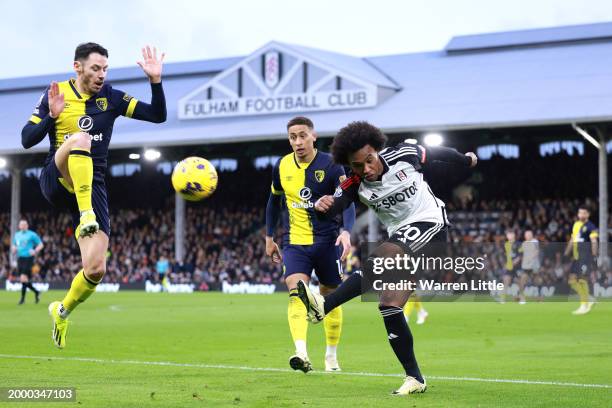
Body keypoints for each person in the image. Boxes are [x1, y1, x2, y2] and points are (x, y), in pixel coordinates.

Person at [295, 121, 477, 395]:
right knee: (389, 305)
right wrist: (322, 207)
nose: (366, 169)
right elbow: (335, 207)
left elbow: (438, 152)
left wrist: (465, 159)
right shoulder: (353, 184)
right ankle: (415, 378)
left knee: (386, 254)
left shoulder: (404, 154)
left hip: (432, 225)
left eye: (369, 160)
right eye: (357, 166)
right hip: (402, 239)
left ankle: (325, 305)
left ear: (376, 150)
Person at [21, 42, 167, 348]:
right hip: (57, 177)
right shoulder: (56, 92)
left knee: (96, 268)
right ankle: (86, 214)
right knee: (80, 139)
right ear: (78, 67)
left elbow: (157, 115)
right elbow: (26, 139)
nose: (101, 75)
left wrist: (155, 81)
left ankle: (62, 311)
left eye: (105, 69)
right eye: (95, 68)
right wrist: (51, 115)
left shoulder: (111, 98)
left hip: (93, 185)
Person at [265, 116, 355, 373]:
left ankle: (331, 356)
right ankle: (301, 353)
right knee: (296, 292)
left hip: (328, 242)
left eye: (302, 135)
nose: (298, 142)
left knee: (331, 298)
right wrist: (269, 237)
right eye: (293, 137)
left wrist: (347, 232)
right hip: (294, 242)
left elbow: (347, 200)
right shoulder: (281, 166)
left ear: (313, 135)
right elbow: (273, 202)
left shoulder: (332, 165)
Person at [564, 205, 598, 315]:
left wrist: (594, 254)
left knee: (582, 280)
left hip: (586, 257)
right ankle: (589, 299)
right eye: (580, 213)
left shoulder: (590, 226)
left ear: (588, 214)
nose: (581, 215)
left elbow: (594, 241)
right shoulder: (576, 225)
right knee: (572, 281)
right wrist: (566, 252)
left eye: (584, 213)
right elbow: (573, 239)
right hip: (576, 257)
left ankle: (584, 305)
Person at [11, 219, 44, 305]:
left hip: (29, 258)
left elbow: (41, 245)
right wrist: (13, 249)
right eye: (21, 225)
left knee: (23, 277)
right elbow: (14, 245)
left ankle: (22, 299)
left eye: (24, 225)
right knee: (24, 279)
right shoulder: (17, 235)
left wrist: (35, 250)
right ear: (19, 226)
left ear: (27, 226)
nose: (23, 226)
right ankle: (37, 292)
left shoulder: (32, 234)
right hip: (20, 258)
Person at [519, 229, 540, 303]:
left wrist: (531, 258)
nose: (527, 236)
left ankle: (538, 298)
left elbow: (537, 251)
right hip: (526, 266)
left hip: (534, 265)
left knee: (536, 281)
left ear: (531, 235)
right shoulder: (524, 243)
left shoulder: (535, 241)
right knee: (522, 280)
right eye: (526, 235)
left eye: (528, 234)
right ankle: (522, 298)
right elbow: (522, 253)